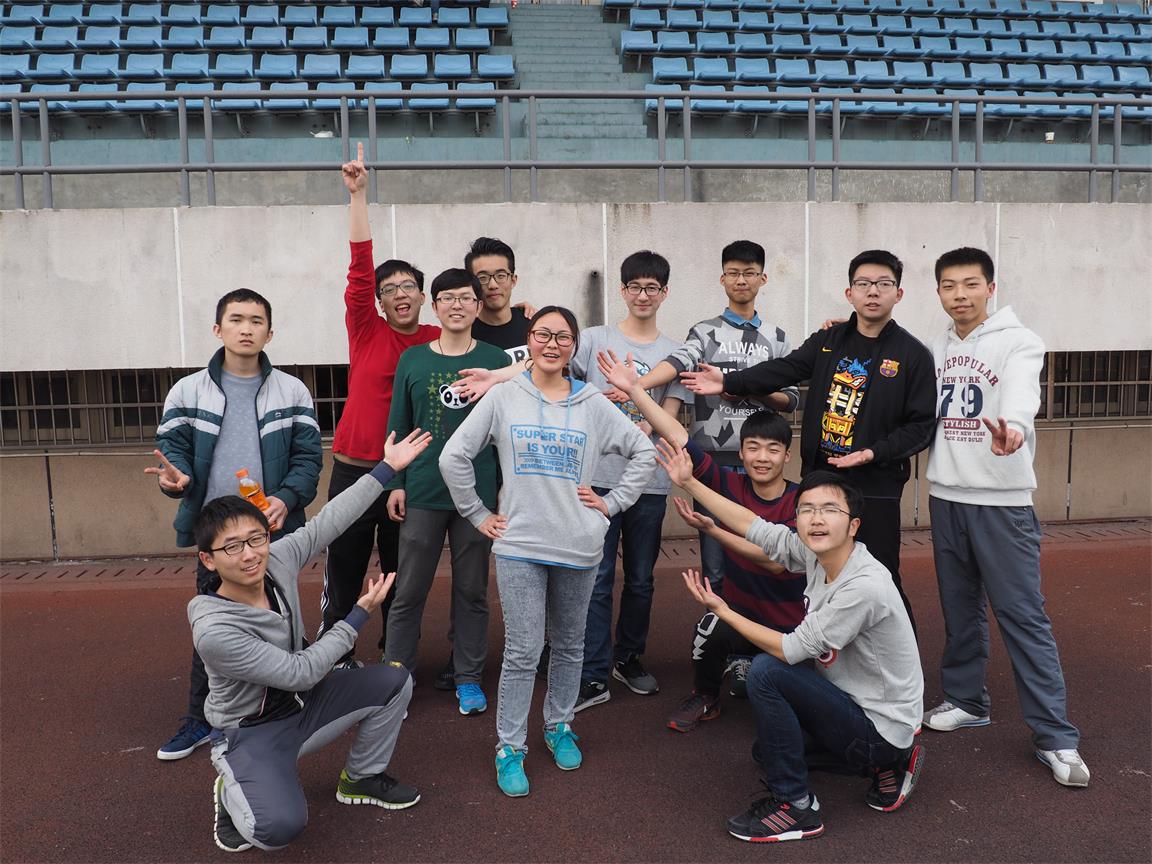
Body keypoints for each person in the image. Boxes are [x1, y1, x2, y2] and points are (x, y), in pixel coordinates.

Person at [439, 306, 656, 798]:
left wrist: (612, 503)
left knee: (571, 644)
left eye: (562, 336)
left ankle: (558, 725)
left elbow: (644, 451)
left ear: (574, 345)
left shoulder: (593, 402)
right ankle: (509, 747)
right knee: (523, 650)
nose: (552, 344)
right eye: (542, 334)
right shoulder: (504, 396)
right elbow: (454, 456)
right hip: (519, 544)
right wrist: (476, 513)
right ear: (530, 341)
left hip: (579, 544)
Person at [660, 446, 924, 843]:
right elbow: (755, 526)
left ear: (853, 525)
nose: (816, 518)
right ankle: (886, 767)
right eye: (807, 509)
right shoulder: (818, 555)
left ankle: (796, 806)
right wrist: (690, 484)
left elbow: (789, 650)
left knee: (766, 672)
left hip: (880, 725)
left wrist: (723, 611)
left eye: (830, 510)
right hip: (853, 706)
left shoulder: (864, 586)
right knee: (766, 752)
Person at [191, 428, 432, 853]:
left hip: (305, 707)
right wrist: (357, 616)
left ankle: (361, 777)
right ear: (208, 559)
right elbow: (299, 673)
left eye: (256, 538)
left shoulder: (277, 560)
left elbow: (329, 521)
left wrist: (386, 468)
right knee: (276, 830)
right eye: (232, 547)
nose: (249, 554)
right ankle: (231, 789)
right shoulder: (215, 630)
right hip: (253, 731)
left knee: (395, 681)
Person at [682, 250, 936, 632]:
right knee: (819, 573)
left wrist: (873, 452)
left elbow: (920, 425)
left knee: (880, 576)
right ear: (849, 293)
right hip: (821, 479)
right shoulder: (829, 340)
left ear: (898, 294)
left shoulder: (912, 354)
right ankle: (826, 655)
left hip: (876, 485)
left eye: (883, 284)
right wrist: (729, 381)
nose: (873, 291)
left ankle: (898, 661)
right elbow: (785, 368)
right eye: (863, 283)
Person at [923, 247, 1089, 787]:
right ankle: (966, 700)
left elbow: (1021, 395)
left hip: (1001, 501)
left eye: (971, 284)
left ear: (990, 288)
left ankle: (1056, 736)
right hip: (946, 496)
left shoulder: (1020, 340)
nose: (960, 295)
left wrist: (1013, 429)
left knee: (1022, 616)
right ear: (939, 292)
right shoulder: (937, 346)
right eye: (949, 286)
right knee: (960, 609)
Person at [146, 289, 322, 761]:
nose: (246, 328)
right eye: (237, 319)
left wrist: (286, 498)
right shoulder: (188, 390)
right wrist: (177, 480)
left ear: (270, 332)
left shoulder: (292, 390)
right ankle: (201, 718)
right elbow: (173, 453)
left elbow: (308, 458)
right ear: (217, 328)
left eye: (256, 320)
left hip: (272, 531)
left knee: (280, 615)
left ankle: (288, 704)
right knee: (214, 625)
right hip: (218, 535)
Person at [598, 349, 807, 731]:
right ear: (741, 453)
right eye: (753, 448)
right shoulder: (729, 483)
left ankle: (758, 668)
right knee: (710, 626)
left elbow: (776, 561)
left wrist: (714, 530)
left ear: (787, 455)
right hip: (742, 612)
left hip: (791, 623)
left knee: (787, 693)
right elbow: (678, 436)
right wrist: (635, 390)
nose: (762, 457)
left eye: (772, 449)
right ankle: (706, 695)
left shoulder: (801, 501)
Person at [321, 144, 440, 666]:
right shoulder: (366, 329)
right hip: (354, 470)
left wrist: (521, 316)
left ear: (423, 295)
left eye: (409, 286)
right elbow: (360, 267)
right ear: (378, 300)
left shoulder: (438, 338)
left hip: (405, 475)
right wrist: (358, 196)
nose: (400, 293)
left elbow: (486, 339)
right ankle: (335, 655)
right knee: (344, 567)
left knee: (398, 572)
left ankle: (395, 657)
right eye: (389, 288)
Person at [630, 241, 799, 594]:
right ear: (722, 279)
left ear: (763, 278)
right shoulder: (704, 332)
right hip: (712, 462)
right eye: (733, 273)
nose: (741, 280)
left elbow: (791, 399)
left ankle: (758, 625)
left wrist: (744, 387)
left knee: (763, 553)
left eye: (749, 273)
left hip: (761, 461)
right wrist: (636, 385)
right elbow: (677, 363)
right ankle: (718, 625)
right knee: (715, 559)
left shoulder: (778, 338)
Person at [382, 268, 510, 716]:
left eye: (465, 297)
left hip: (478, 496)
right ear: (433, 306)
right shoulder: (413, 359)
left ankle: (468, 675)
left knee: (472, 589)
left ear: (479, 305)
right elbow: (398, 423)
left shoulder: (496, 359)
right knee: (408, 589)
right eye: (447, 298)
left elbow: (510, 423)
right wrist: (394, 482)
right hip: (421, 489)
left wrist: (503, 489)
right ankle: (395, 677)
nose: (457, 305)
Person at [566, 250, 689, 711]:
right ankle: (593, 672)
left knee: (640, 579)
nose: (642, 295)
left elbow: (670, 416)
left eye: (651, 287)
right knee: (596, 578)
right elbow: (564, 388)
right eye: (634, 286)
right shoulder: (592, 340)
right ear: (622, 290)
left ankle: (628, 659)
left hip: (648, 480)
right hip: (595, 479)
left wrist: (644, 423)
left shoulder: (673, 352)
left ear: (665, 293)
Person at [466, 236, 532, 364]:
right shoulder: (464, 335)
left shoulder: (534, 325)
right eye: (483, 277)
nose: (493, 285)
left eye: (500, 276)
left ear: (513, 280)